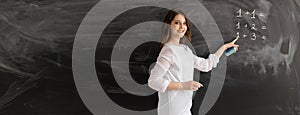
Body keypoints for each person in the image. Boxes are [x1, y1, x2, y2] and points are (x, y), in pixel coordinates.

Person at [147, 9, 239, 115]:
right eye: (177, 23)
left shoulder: (185, 49)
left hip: (185, 109)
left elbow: (206, 65)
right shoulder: (168, 51)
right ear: (168, 25)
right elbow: (154, 81)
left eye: (184, 23)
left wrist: (224, 47)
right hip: (172, 110)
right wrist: (183, 86)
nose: (182, 27)